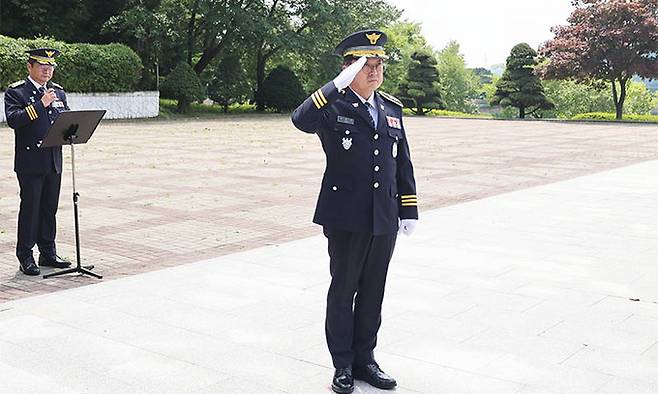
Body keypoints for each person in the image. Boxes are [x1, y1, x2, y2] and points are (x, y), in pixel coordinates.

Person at [291, 30, 418, 393]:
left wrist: (408, 208)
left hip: (383, 216)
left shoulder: (391, 109)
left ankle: (366, 360)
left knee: (374, 289)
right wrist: (334, 86)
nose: (375, 71)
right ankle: (343, 364)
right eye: (366, 65)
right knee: (344, 288)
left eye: (379, 64)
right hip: (345, 215)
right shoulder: (333, 106)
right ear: (349, 69)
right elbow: (300, 119)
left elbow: (402, 163)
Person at [4, 48, 72, 276]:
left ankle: (48, 252)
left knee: (49, 209)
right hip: (31, 162)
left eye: (50, 66)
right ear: (29, 67)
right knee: (30, 209)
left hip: (54, 159)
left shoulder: (59, 92)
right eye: (42, 65)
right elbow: (14, 120)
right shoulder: (17, 92)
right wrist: (40, 104)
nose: (47, 70)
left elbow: (66, 119)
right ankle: (25, 256)